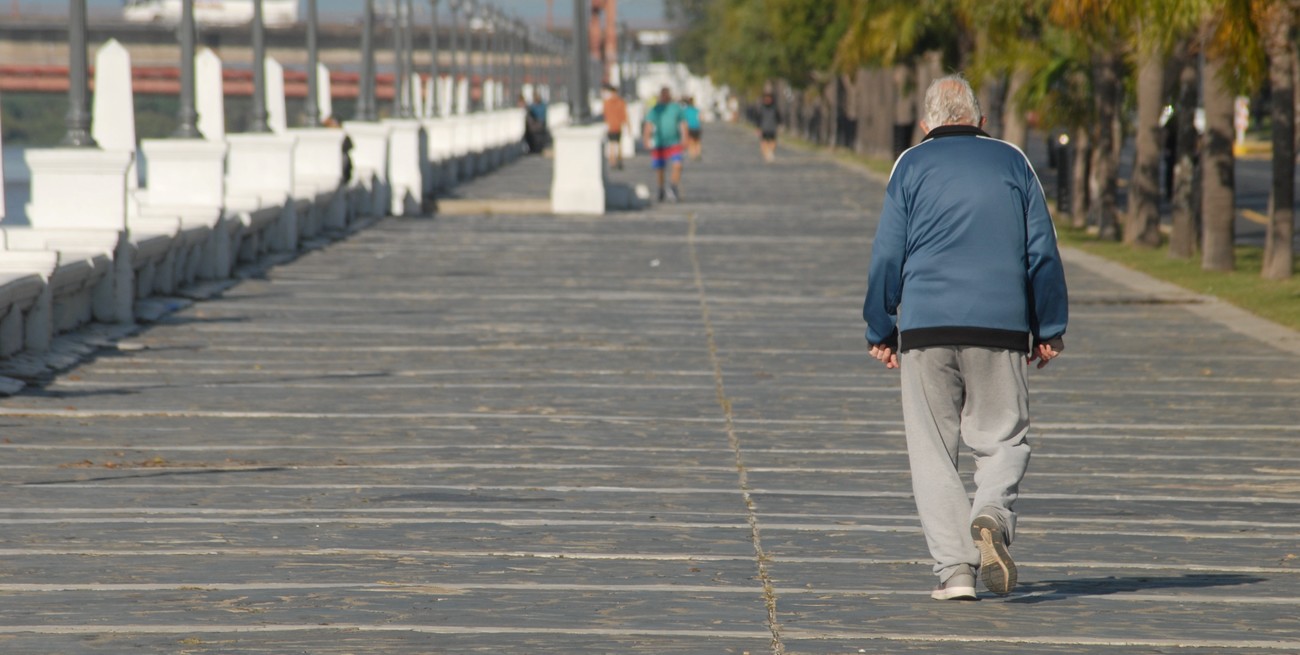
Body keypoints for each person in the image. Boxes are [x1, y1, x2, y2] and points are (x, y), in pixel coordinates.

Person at [862, 74, 1068, 601]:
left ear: (926, 123)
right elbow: (1041, 250)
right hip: (999, 326)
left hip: (927, 326)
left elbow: (888, 253)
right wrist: (1049, 327)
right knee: (1003, 439)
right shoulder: (1013, 161)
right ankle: (992, 516)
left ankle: (956, 573)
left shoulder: (909, 164)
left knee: (932, 449)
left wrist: (881, 326)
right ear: (980, 121)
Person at [642, 86, 688, 202]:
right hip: (659, 143)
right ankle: (661, 188)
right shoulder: (655, 109)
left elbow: (683, 123)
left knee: (678, 165)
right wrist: (646, 139)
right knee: (660, 169)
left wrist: (685, 138)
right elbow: (648, 125)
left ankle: (673, 186)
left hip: (674, 142)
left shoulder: (676, 108)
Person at [602, 84, 629, 170]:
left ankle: (614, 161)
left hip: (613, 126)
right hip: (616, 125)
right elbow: (624, 115)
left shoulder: (608, 102)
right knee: (615, 144)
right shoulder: (620, 102)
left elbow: (605, 114)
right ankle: (617, 160)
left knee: (613, 145)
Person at [757, 91, 780, 162]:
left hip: (772, 128)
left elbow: (778, 118)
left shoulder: (774, 108)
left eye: (769, 98)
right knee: (764, 142)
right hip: (764, 128)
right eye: (766, 98)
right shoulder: (761, 108)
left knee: (773, 142)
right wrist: (758, 128)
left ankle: (770, 153)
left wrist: (779, 126)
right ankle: (766, 154)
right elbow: (758, 118)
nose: (768, 100)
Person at [683, 95, 703, 161]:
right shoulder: (696, 109)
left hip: (690, 127)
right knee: (697, 141)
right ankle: (698, 154)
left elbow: (684, 120)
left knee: (691, 142)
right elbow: (700, 118)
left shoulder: (686, 110)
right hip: (697, 127)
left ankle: (692, 155)